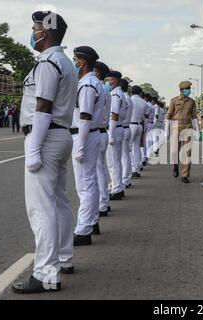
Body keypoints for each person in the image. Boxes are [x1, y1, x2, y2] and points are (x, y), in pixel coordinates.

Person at [12, 11, 76, 294]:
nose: (33, 32)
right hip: (59, 134)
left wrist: (34, 147)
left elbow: (42, 106)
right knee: (59, 202)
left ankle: (46, 274)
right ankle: (64, 258)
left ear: (45, 32)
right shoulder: (64, 63)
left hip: (46, 135)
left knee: (42, 207)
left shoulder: (49, 62)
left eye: (35, 27)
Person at [71, 46, 104, 246]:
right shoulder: (95, 83)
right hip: (92, 134)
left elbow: (85, 115)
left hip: (85, 135)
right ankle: (91, 222)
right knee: (90, 181)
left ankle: (83, 230)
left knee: (84, 184)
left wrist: (80, 145)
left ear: (82, 62)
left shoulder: (87, 85)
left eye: (75, 60)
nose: (74, 63)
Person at [166, 81, 200, 183]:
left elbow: (194, 116)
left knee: (187, 152)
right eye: (187, 89)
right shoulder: (173, 101)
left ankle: (185, 175)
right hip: (176, 125)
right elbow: (169, 116)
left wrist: (198, 130)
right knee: (174, 150)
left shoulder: (192, 102)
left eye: (189, 89)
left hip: (188, 126)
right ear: (181, 90)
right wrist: (166, 131)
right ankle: (175, 166)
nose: (189, 91)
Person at [94, 61, 111, 217]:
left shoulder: (93, 86)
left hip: (94, 132)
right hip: (102, 131)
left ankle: (101, 205)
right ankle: (103, 201)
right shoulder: (105, 89)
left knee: (91, 175)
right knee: (101, 169)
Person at [105, 71, 126, 201]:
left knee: (112, 162)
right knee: (116, 160)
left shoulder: (114, 94)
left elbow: (114, 115)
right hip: (119, 128)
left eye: (111, 80)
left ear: (117, 80)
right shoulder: (120, 94)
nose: (109, 82)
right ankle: (118, 187)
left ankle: (116, 189)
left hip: (114, 128)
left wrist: (110, 135)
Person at [130, 85, 147, 178]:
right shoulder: (144, 102)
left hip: (130, 125)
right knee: (136, 148)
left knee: (127, 148)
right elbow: (145, 116)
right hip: (140, 125)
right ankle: (136, 168)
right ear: (140, 93)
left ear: (131, 92)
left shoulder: (129, 99)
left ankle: (132, 168)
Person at [120, 78, 133, 190]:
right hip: (127, 127)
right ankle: (126, 178)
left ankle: (124, 178)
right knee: (126, 155)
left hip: (122, 127)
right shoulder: (128, 98)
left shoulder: (123, 97)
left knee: (122, 156)